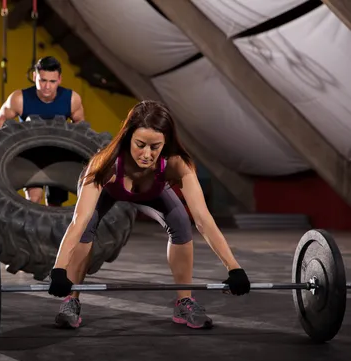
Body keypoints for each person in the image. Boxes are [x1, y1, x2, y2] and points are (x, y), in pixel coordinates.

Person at [47, 100, 251, 329]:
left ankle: (184, 301)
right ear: (128, 137)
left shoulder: (176, 164)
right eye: (140, 144)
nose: (147, 154)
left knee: (181, 221)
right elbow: (78, 220)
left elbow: (203, 219)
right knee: (86, 226)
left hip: (152, 192)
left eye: (155, 147)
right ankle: (71, 301)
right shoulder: (105, 165)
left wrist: (234, 268)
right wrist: (58, 270)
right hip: (109, 190)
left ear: (166, 143)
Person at [0, 56, 85, 206]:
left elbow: (81, 126)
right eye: (43, 80)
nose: (47, 87)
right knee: (34, 199)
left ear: (60, 79)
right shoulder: (19, 98)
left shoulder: (71, 99)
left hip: (58, 156)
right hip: (30, 155)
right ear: (34, 76)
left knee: (55, 204)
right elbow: (2, 119)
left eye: (52, 81)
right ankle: (30, 228)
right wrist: (14, 148)